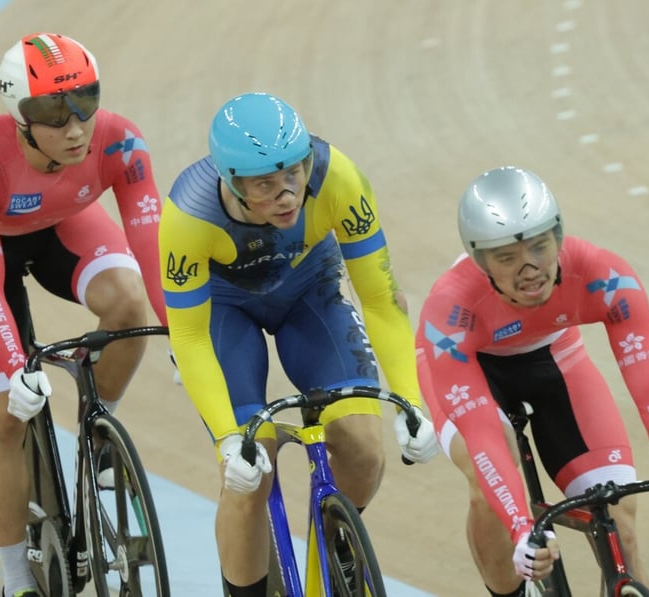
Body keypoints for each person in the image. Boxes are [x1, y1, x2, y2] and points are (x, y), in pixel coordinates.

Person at [159, 91, 439, 596]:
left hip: (310, 292)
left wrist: (411, 400)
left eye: (295, 173)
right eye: (266, 184)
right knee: (251, 466)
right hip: (227, 311)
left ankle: (332, 560)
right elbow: (190, 335)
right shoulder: (189, 214)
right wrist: (228, 438)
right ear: (232, 183)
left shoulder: (339, 178)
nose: (288, 194)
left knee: (362, 450)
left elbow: (381, 299)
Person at [414, 165, 649, 596]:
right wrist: (521, 526)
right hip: (470, 369)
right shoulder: (451, 309)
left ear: (558, 236)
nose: (529, 269)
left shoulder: (603, 275)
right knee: (490, 474)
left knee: (617, 515)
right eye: (507, 258)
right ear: (479, 260)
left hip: (552, 357)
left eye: (539, 248)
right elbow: (481, 433)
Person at [0, 32, 166, 597]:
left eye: (85, 103)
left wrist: (178, 328)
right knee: (3, 419)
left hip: (62, 226)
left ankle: (95, 424)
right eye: (54, 115)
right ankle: (16, 577)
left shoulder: (120, 141)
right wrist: (16, 366)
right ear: (19, 117)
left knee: (130, 305)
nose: (75, 127)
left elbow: (149, 243)